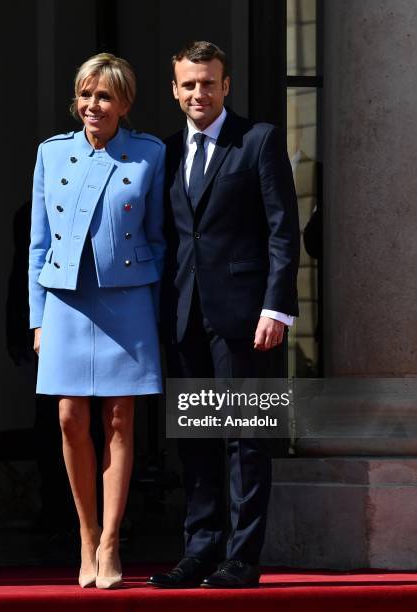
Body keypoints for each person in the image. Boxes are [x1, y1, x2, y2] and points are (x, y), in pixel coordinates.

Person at [148, 41, 299, 589]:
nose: (198, 93)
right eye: (188, 84)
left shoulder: (258, 140)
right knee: (196, 439)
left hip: (246, 318)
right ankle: (200, 551)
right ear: (174, 88)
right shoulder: (164, 153)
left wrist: (277, 307)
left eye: (208, 83)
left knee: (245, 438)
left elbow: (284, 230)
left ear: (226, 85)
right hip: (184, 314)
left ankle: (242, 558)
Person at [28, 53, 165, 589]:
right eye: (85, 95)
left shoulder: (149, 154)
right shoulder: (50, 154)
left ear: (124, 103)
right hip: (63, 301)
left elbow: (158, 238)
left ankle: (111, 543)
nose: (93, 106)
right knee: (68, 418)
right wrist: (37, 320)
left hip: (126, 299)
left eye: (104, 96)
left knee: (119, 420)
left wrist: (153, 313)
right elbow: (37, 243)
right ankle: (84, 536)